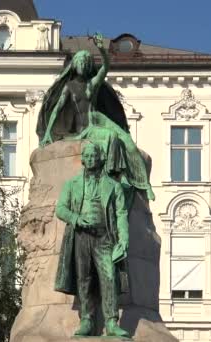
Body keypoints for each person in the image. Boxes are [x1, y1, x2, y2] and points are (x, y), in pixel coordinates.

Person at [36, 33, 155, 200]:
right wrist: (48, 132)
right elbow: (56, 110)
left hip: (98, 119)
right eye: (80, 62)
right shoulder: (68, 87)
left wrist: (101, 49)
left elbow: (105, 67)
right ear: (74, 65)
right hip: (85, 128)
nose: (83, 65)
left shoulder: (92, 84)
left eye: (86, 62)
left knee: (128, 141)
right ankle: (116, 175)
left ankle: (144, 185)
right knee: (112, 137)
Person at [54, 143, 131, 338]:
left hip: (105, 237)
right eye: (86, 156)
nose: (90, 160)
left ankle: (112, 321)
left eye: (93, 156)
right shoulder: (72, 184)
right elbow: (61, 209)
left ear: (100, 158)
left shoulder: (113, 186)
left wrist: (124, 239)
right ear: (82, 159)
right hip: (81, 236)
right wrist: (77, 219)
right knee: (84, 278)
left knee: (110, 277)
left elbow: (121, 214)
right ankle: (86, 319)